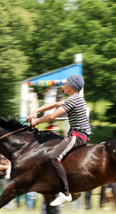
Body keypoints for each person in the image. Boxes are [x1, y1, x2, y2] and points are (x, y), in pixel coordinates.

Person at [27, 74, 91, 206]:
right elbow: (54, 104)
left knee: (54, 158)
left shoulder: (73, 100)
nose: (64, 85)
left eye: (67, 83)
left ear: (72, 86)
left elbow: (52, 116)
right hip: (78, 134)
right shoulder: (76, 98)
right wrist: (36, 110)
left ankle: (65, 193)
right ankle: (74, 189)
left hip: (78, 135)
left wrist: (36, 121)